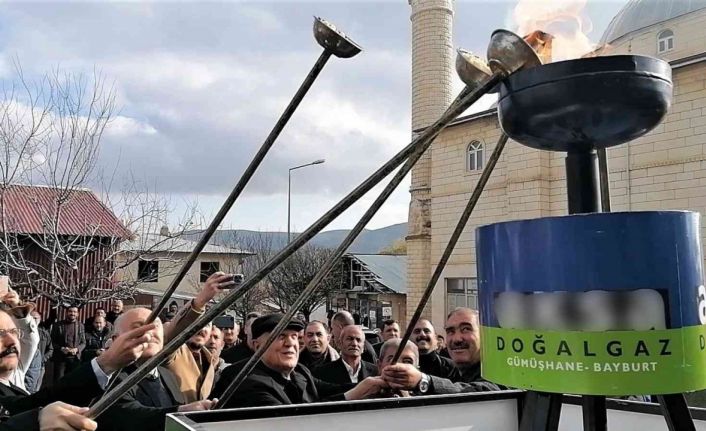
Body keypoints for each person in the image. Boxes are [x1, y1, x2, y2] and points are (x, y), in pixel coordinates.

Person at [0, 306, 159, 421]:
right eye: (0, 334)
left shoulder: (11, 382)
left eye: (14, 332)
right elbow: (28, 409)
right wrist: (106, 362)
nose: (12, 341)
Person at [212, 313, 387, 408]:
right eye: (281, 337)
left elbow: (332, 389)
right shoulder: (244, 380)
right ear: (258, 346)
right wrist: (352, 395)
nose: (290, 343)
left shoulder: (300, 372)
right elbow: (294, 418)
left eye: (295, 337)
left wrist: (377, 383)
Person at [96, 306, 217, 431]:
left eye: (155, 327)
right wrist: (181, 412)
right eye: (139, 327)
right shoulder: (105, 377)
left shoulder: (168, 375)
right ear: (116, 339)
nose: (149, 333)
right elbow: (130, 417)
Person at [381, 308, 502, 395]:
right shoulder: (463, 373)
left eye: (466, 329)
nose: (457, 339)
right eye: (450, 331)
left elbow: (477, 393)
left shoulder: (500, 371)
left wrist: (422, 381)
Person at [50, 307, 85, 382]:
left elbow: (83, 343)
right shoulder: (58, 325)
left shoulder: (80, 326)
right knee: (58, 381)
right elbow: (52, 341)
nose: (72, 313)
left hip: (75, 358)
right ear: (66, 313)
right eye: (70, 311)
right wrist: (61, 348)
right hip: (60, 358)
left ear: (78, 314)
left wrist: (77, 349)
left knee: (73, 381)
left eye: (74, 312)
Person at [24, 311, 52, 393]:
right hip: (25, 365)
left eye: (35, 318)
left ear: (40, 320)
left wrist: (41, 360)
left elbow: (50, 349)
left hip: (39, 367)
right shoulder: (22, 331)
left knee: (35, 390)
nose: (33, 320)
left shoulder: (44, 333)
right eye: (31, 318)